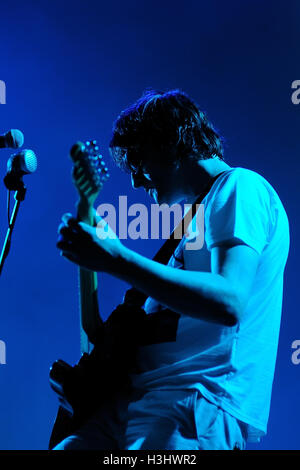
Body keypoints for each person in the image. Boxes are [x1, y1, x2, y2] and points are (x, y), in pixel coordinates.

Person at [55, 89, 290, 450]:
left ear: (168, 141)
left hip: (193, 401)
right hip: (133, 402)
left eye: (137, 160)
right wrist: (91, 262)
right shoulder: (191, 224)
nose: (135, 180)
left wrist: (116, 258)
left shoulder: (240, 186)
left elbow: (229, 301)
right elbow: (99, 334)